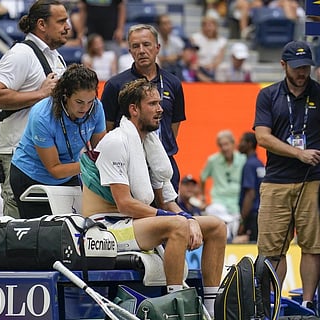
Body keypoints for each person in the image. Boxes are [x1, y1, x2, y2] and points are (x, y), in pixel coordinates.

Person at [80, 79, 226, 317]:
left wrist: (188, 218)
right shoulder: (116, 141)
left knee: (216, 226)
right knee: (177, 225)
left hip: (134, 222)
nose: (161, 109)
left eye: (160, 103)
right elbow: (125, 204)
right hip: (106, 227)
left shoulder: (149, 142)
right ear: (134, 109)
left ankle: (211, 308)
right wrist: (178, 220)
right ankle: (176, 306)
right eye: (153, 104)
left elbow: (167, 202)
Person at [254, 40, 320, 313]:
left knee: (313, 245)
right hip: (276, 180)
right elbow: (262, 137)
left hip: (314, 181)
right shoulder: (268, 95)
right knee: (273, 249)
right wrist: (299, 154)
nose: (302, 72)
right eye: (297, 68)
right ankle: (272, 304)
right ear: (283, 65)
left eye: (306, 67)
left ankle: (308, 304)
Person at [0, 0, 69, 218]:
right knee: (17, 229)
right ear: (42, 24)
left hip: (46, 156)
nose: (67, 27)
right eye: (61, 21)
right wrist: (40, 94)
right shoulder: (21, 54)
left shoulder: (56, 57)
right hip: (17, 155)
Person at [10, 64, 106, 218]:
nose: (85, 108)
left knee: (74, 228)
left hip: (70, 172)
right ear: (65, 95)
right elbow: (55, 169)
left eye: (90, 101)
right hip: (32, 176)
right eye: (79, 102)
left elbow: (102, 150)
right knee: (43, 234)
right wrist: (89, 165)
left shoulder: (96, 107)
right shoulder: (42, 116)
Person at [101, 24, 186, 192]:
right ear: (130, 50)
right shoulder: (115, 85)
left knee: (171, 215)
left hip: (164, 162)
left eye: (146, 44)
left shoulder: (174, 83)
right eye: (135, 46)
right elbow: (107, 128)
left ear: (157, 47)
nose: (141, 50)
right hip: (129, 166)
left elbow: (173, 127)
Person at [236, 132, 264, 243]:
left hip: (252, 216)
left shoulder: (249, 165)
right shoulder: (259, 164)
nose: (239, 144)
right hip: (261, 213)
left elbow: (250, 194)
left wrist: (242, 221)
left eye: (242, 141)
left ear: (249, 144)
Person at [189, 14, 227, 80]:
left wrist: (212, 65)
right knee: (193, 67)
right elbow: (192, 55)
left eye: (211, 25)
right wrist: (199, 64)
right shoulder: (195, 38)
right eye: (206, 25)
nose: (209, 28)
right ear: (202, 27)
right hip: (199, 66)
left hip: (214, 68)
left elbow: (219, 59)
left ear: (216, 27)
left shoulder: (222, 41)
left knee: (223, 67)